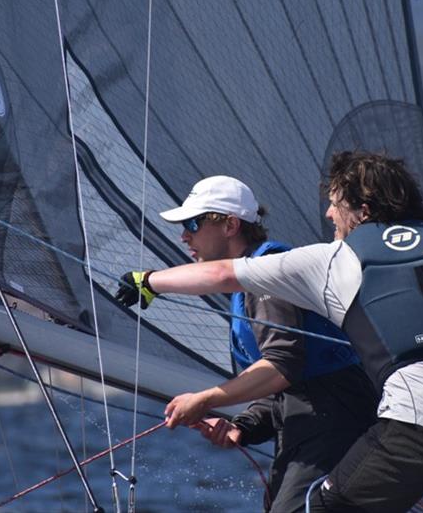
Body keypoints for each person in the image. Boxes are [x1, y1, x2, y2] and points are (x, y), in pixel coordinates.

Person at [123, 152, 423, 512]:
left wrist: (149, 281)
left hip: (417, 415)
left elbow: (222, 276)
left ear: (363, 210)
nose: (329, 212)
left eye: (335, 202)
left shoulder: (334, 259)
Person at [116, 175, 378, 513]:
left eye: (193, 224)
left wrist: (206, 398)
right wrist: (243, 426)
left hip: (336, 417)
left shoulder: (267, 272)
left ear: (230, 225)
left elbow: (284, 366)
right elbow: (287, 387)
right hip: (311, 421)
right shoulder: (249, 284)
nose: (184, 236)